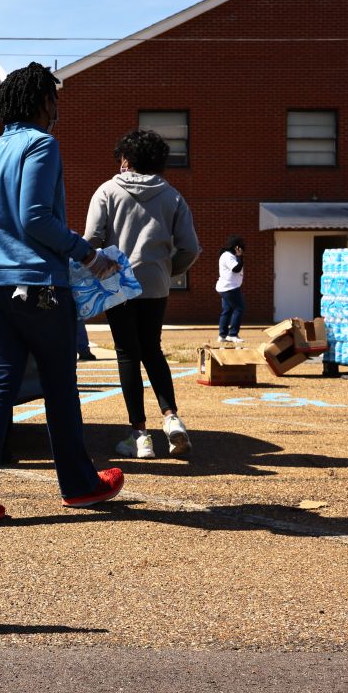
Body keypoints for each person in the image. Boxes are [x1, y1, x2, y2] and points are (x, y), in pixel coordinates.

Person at [0, 62, 124, 521]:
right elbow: (34, 219)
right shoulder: (41, 144)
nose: (57, 108)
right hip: (35, 284)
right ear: (44, 102)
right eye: (55, 99)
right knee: (60, 386)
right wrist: (87, 255)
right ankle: (80, 485)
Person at [84, 129, 201, 460]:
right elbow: (190, 247)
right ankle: (171, 417)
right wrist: (169, 270)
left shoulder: (107, 191)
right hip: (156, 282)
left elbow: (91, 238)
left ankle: (139, 434)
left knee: (126, 353)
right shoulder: (173, 196)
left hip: (118, 282)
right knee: (153, 348)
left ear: (125, 159)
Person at [216, 235, 246, 343]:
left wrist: (238, 257)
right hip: (230, 287)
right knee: (239, 308)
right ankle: (233, 334)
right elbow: (236, 269)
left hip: (227, 287)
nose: (242, 249)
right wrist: (240, 257)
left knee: (227, 310)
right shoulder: (228, 256)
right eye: (240, 247)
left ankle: (222, 335)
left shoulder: (228, 255)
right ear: (236, 247)